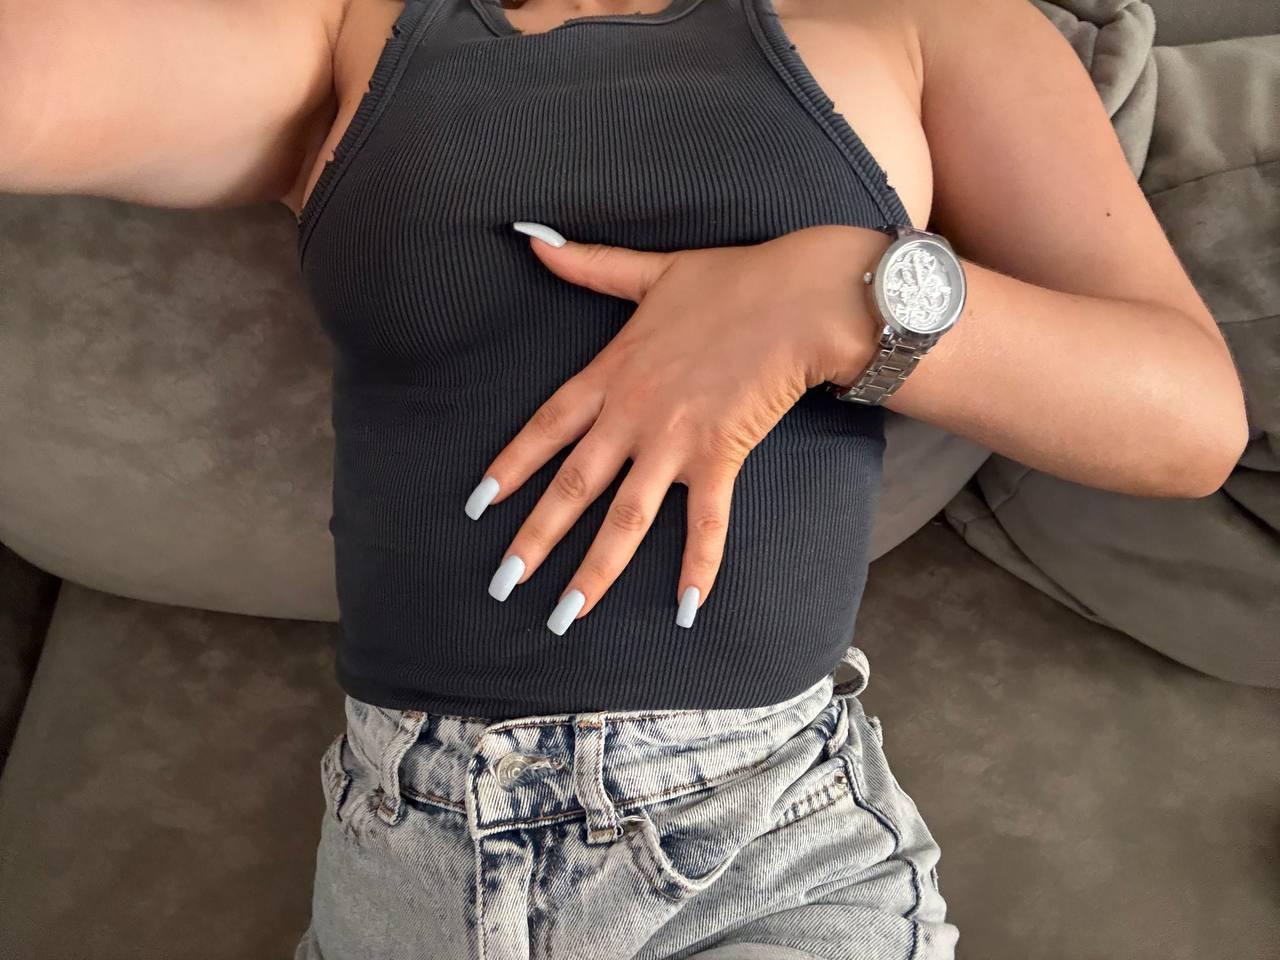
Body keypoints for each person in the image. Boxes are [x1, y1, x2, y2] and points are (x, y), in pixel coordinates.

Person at [1, 0, 1248, 956]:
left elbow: (1187, 417)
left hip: (762, 853)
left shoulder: (927, 22)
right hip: (400, 859)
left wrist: (844, 299)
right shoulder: (351, 31)